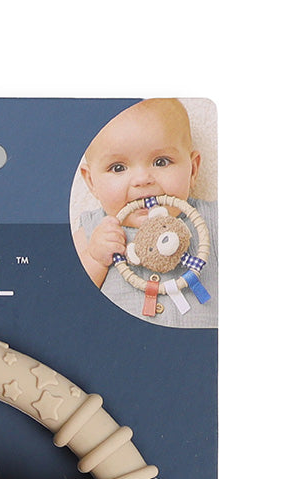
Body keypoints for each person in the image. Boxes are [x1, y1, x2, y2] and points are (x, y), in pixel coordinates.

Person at [73, 99, 217, 327]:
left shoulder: (213, 220)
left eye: (161, 162)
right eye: (118, 168)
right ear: (91, 182)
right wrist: (94, 259)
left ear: (193, 170)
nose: (142, 180)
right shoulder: (93, 231)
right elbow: (65, 299)